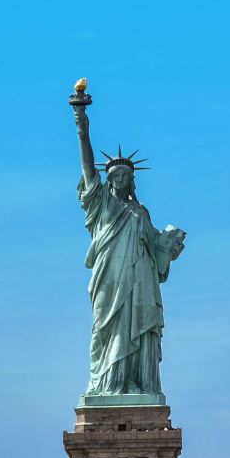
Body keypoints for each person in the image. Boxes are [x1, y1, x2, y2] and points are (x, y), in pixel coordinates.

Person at [71, 94, 186, 397]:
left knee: (139, 325)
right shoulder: (101, 205)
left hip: (141, 280)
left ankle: (136, 382)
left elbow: (157, 256)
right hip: (110, 276)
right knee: (107, 327)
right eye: (116, 175)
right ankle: (108, 383)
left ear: (133, 181)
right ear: (108, 181)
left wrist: (169, 246)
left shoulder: (141, 213)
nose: (122, 179)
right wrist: (82, 126)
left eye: (126, 175)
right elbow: (88, 168)